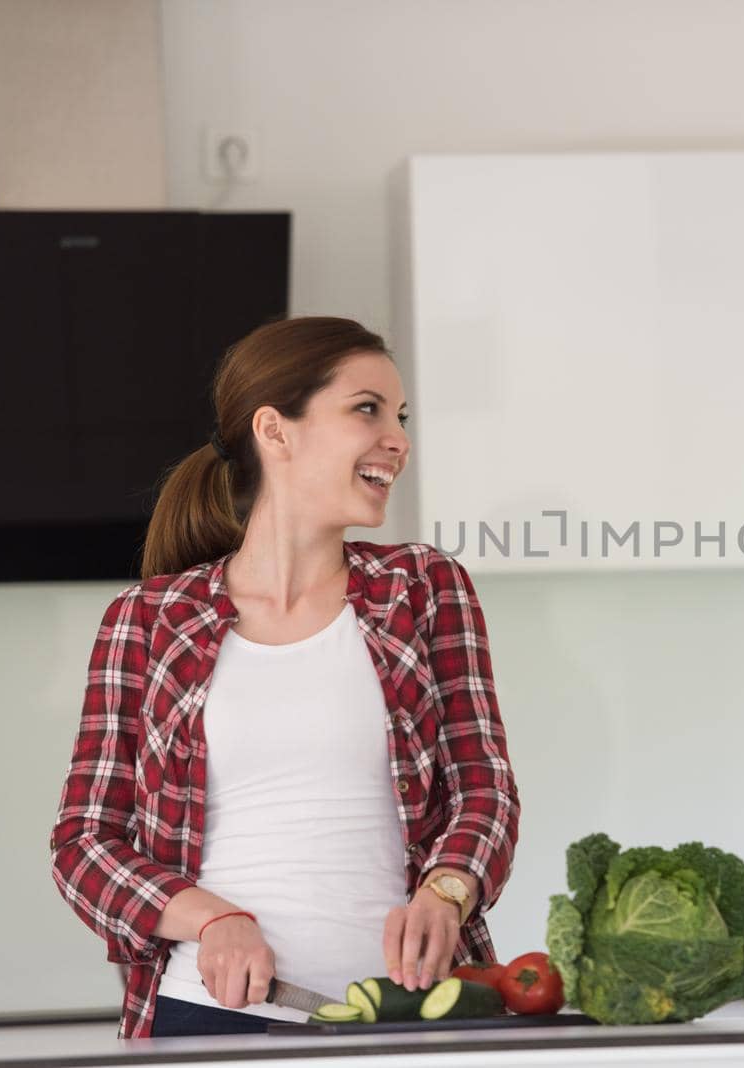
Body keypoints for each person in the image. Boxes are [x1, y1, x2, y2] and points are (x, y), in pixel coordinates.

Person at [50, 316, 520, 1038]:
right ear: (276, 431)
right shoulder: (147, 620)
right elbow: (85, 842)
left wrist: (447, 891)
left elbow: (483, 786)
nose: (397, 438)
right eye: (366, 409)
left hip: (413, 1013)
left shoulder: (423, 588)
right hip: (214, 1019)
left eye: (399, 417)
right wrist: (213, 920)